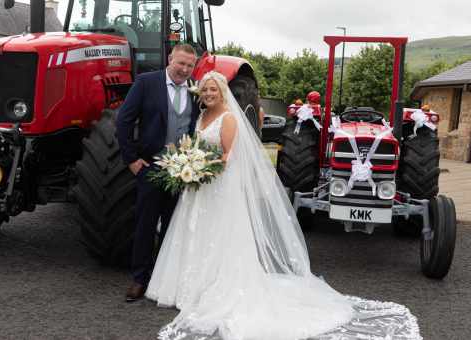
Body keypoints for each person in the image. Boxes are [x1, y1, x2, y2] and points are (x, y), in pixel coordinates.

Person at [146, 71, 421, 340]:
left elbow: (229, 156)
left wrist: (202, 168)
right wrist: (189, 164)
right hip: (199, 186)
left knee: (220, 234)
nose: (208, 93)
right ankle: (188, 286)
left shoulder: (228, 118)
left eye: (213, 89)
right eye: (204, 90)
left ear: (222, 93)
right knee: (196, 232)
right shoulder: (203, 116)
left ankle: (213, 287)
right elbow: (197, 145)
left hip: (217, 184)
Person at [116, 44, 201, 302]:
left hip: (183, 170)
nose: (184, 70)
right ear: (170, 59)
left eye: (190, 66)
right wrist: (131, 159)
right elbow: (124, 120)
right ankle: (139, 279)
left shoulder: (196, 89)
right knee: (145, 224)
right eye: (181, 63)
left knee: (173, 227)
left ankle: (164, 279)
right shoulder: (146, 82)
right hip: (150, 167)